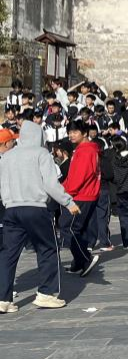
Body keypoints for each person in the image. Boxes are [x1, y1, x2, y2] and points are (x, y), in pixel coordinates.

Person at [0, 122, 81, 311]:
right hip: (35, 208)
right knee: (47, 248)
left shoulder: (7, 156)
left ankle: (3, 299)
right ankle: (46, 293)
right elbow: (51, 184)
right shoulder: (41, 154)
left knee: (8, 254)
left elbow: (3, 184)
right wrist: (68, 202)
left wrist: (8, 202)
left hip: (11, 209)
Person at [60, 120, 101, 276]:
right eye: (70, 132)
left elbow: (80, 175)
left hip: (81, 195)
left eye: (75, 132)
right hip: (86, 194)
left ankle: (85, 258)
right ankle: (78, 263)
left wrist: (66, 192)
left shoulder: (85, 150)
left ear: (84, 133)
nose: (71, 135)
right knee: (79, 229)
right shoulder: (84, 149)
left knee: (68, 227)